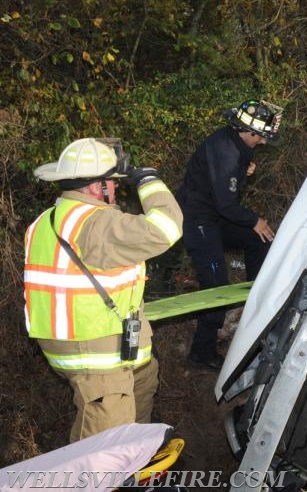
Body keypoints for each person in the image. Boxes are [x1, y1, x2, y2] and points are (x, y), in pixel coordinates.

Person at [23, 138, 183, 442]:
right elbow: (167, 227)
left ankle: (137, 460)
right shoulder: (98, 223)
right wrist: (149, 181)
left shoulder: (47, 220)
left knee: (144, 380)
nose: (118, 189)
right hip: (92, 350)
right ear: (98, 187)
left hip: (74, 338)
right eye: (114, 182)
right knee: (103, 451)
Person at [176, 99, 282, 370]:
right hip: (199, 221)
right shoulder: (224, 152)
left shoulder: (237, 142)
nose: (263, 143)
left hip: (217, 216)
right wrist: (253, 219)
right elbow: (228, 203)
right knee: (217, 287)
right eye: (261, 137)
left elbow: (229, 190)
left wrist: (244, 172)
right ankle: (202, 351)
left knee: (260, 238)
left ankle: (253, 306)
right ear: (248, 132)